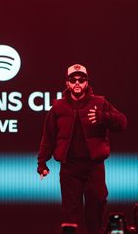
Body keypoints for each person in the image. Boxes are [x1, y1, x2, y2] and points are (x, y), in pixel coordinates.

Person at [37, 64, 127, 234]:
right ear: (67, 83)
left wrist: (103, 117)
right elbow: (48, 137)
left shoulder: (100, 103)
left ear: (86, 82)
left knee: (98, 205)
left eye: (81, 79)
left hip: (94, 167)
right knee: (71, 214)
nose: (77, 83)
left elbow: (122, 122)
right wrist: (42, 163)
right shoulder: (58, 107)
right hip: (69, 168)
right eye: (73, 79)